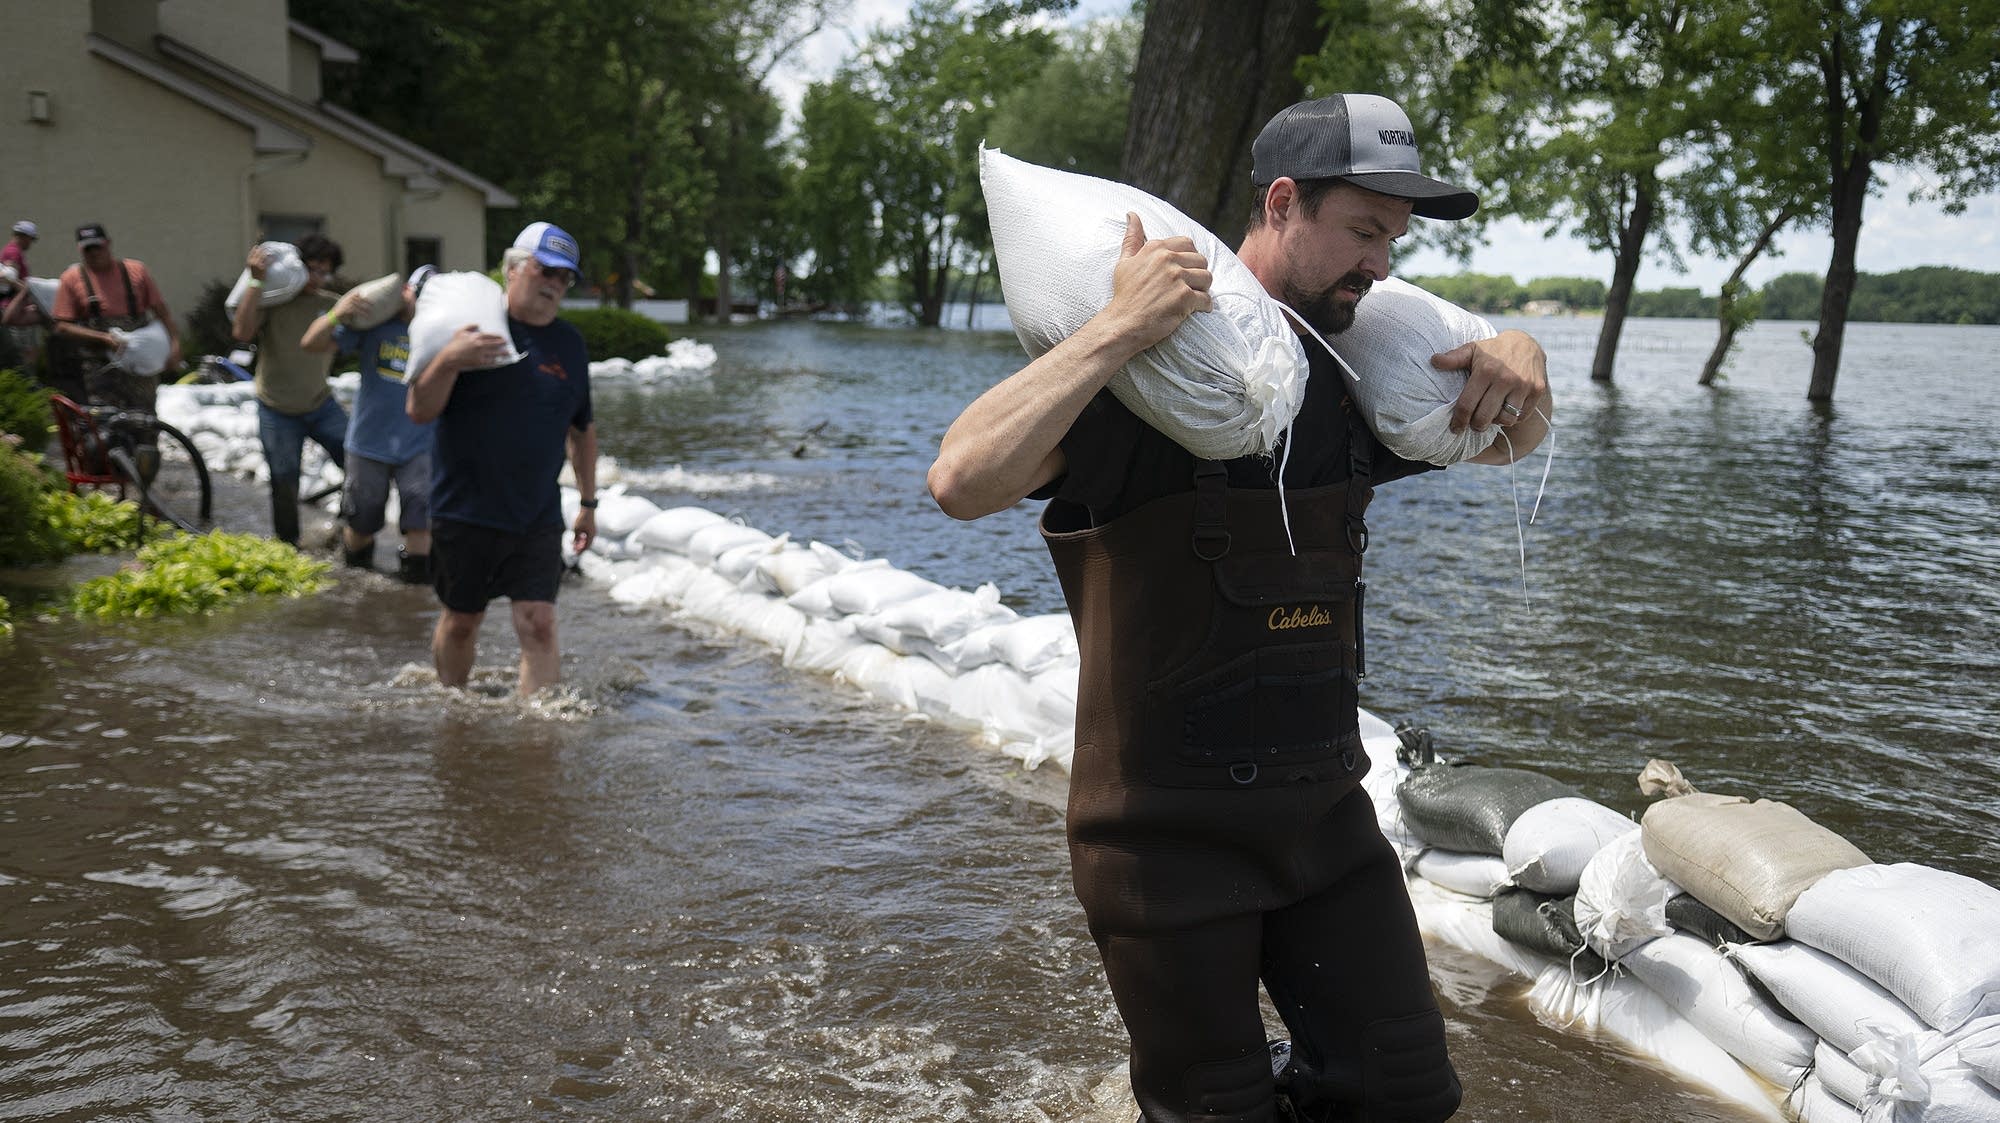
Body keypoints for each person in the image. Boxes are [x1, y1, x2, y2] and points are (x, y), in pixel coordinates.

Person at [927, 93, 1553, 1123]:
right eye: (1361, 231)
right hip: (1160, 840)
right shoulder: (1148, 385)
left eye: (1391, 240)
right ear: (1280, 203)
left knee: (1403, 1094)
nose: (1380, 265)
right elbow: (960, 479)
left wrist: (1521, 355)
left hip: (1324, 826)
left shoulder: (1355, 385)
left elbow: (1513, 442)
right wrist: (1120, 327)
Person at [406, 222, 598, 697]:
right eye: (544, 270)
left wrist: (589, 504)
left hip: (535, 514)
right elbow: (419, 411)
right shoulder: (472, 331)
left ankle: (538, 736)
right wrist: (450, 358)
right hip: (464, 510)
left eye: (564, 277)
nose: (553, 283)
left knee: (539, 623)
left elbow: (583, 429)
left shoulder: (569, 344)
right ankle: (452, 708)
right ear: (513, 270)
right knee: (463, 623)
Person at [300, 264, 436, 582]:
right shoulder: (374, 327)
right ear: (406, 293)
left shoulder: (440, 335)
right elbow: (311, 343)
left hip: (420, 445)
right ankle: (358, 586)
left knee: (420, 522)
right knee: (361, 524)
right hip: (369, 443)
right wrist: (337, 313)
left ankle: (412, 600)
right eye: (418, 296)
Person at [231, 234, 349, 546]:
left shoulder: (332, 305)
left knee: (358, 463)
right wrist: (256, 282)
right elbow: (242, 332)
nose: (317, 278)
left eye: (324, 272)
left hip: (320, 403)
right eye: (311, 269)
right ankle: (288, 546)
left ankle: (348, 528)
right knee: (284, 481)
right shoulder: (277, 299)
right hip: (277, 407)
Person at [49, 224, 182, 409]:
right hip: (99, 366)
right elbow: (62, 326)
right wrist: (103, 338)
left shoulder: (136, 271)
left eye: (98, 247)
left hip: (139, 360)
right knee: (108, 422)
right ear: (80, 249)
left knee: (144, 418)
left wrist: (174, 346)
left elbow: (162, 313)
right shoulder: (71, 278)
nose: (94, 253)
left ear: (108, 244)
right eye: (88, 249)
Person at [1, 220, 45, 365]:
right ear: (24, 236)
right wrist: (30, 290)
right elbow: (8, 278)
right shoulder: (13, 252)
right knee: (27, 351)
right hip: (14, 308)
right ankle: (28, 382)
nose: (30, 244)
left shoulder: (12, 251)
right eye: (31, 239)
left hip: (17, 307)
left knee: (29, 349)